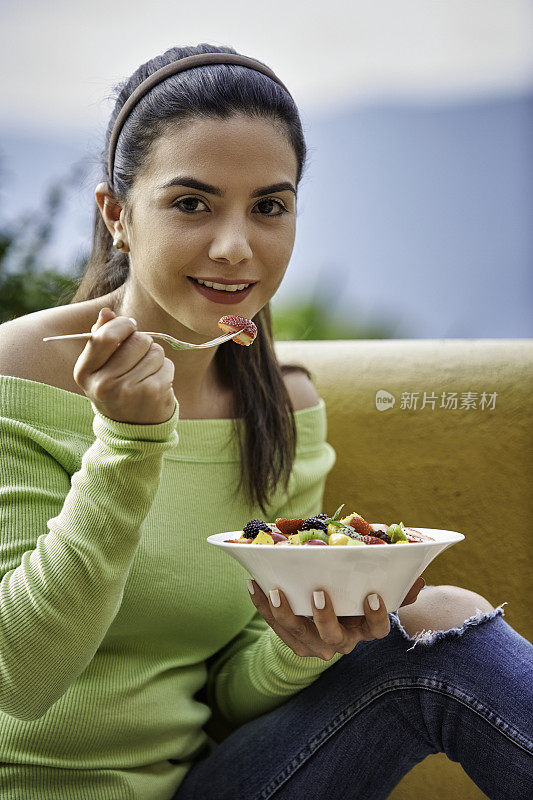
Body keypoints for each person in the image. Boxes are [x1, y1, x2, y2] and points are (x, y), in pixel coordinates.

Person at [0, 43, 531, 800]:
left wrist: (303, 648)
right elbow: (17, 680)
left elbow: (231, 692)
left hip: (202, 788)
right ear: (116, 215)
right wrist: (129, 442)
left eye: (268, 207)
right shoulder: (21, 369)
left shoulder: (281, 406)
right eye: (191, 203)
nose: (235, 247)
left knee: (445, 621)